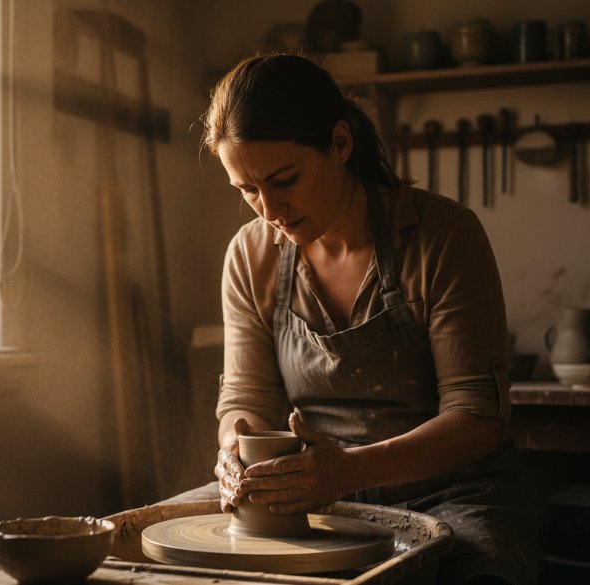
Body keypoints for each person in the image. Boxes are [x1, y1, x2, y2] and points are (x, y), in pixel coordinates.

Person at [194, 53, 539, 585]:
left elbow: (479, 419)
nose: (269, 209)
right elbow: (247, 397)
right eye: (248, 189)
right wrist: (234, 451)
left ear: (340, 143)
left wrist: (348, 471)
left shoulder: (443, 235)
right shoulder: (250, 255)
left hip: (452, 492)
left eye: (285, 180)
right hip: (311, 498)